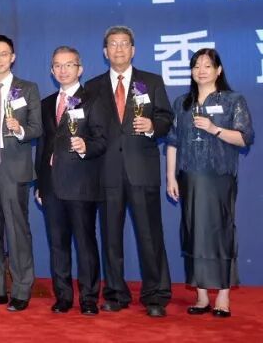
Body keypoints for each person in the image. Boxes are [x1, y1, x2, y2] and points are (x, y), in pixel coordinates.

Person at [83, 25, 173, 318]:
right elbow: (85, 128)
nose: (119, 49)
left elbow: (166, 118)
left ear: (133, 50)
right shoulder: (92, 87)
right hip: (106, 172)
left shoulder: (151, 81)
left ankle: (155, 295)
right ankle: (115, 293)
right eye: (113, 44)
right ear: (105, 51)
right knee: (110, 237)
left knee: (150, 236)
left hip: (141, 170)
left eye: (124, 44)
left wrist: (153, 126)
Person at [166, 48, 254, 319]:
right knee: (193, 232)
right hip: (189, 177)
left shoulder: (232, 100)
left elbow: (245, 138)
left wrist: (215, 129)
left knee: (219, 232)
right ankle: (202, 296)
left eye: (207, 65)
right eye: (196, 66)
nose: (201, 70)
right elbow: (172, 142)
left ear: (218, 70)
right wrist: (170, 176)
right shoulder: (182, 103)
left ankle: (223, 296)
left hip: (219, 177)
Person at [35, 46, 109, 315]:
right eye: (57, 65)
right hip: (52, 185)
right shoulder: (46, 103)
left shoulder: (93, 100)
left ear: (80, 69)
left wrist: (86, 146)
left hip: (81, 183)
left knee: (85, 243)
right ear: (52, 71)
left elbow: (102, 140)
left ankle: (88, 298)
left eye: (69, 65)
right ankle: (63, 296)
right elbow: (43, 147)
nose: (63, 70)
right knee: (58, 244)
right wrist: (40, 184)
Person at [0, 35, 42, 311]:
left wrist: (20, 129)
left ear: (13, 57)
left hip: (13, 168)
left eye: (3, 54)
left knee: (17, 231)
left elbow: (37, 128)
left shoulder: (28, 89)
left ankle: (22, 289)